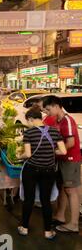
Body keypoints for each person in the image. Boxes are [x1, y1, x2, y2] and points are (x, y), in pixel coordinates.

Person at [17, 107, 67, 240]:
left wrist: (19, 156)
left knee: (29, 199)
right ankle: (48, 231)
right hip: (49, 171)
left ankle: (24, 228)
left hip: (32, 169)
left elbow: (28, 154)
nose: (28, 124)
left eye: (28, 121)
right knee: (46, 201)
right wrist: (50, 152)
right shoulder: (54, 131)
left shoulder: (29, 133)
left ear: (32, 119)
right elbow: (63, 151)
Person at [43, 95, 81, 233]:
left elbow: (70, 143)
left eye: (48, 110)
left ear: (56, 106)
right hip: (62, 160)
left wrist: (54, 152)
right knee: (63, 188)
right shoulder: (57, 120)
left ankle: (74, 223)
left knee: (71, 190)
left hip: (71, 159)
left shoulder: (67, 121)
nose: (47, 113)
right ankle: (60, 215)